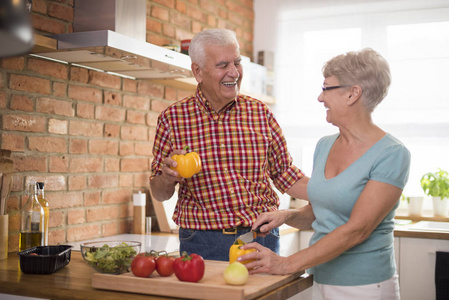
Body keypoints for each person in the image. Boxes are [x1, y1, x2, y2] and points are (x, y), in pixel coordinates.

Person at [238, 48, 411, 300]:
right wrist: (286, 215)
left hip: (365, 286)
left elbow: (357, 230)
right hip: (320, 279)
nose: (320, 97)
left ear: (353, 93)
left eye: (327, 88)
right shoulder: (325, 145)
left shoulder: (392, 154)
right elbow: (322, 212)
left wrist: (285, 264)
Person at [149, 28, 307, 261]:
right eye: (223, 65)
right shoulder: (172, 118)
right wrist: (167, 176)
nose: (234, 72)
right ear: (198, 71)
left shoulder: (259, 112)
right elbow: (160, 193)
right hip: (201, 243)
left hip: (259, 237)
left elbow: (286, 174)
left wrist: (332, 194)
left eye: (237, 62)